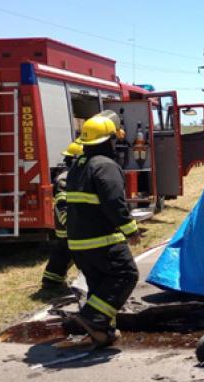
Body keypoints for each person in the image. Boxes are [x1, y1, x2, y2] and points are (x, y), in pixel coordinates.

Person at [64, 113, 140, 347]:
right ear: (108, 141)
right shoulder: (106, 166)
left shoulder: (79, 164)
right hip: (101, 240)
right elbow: (114, 202)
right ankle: (91, 318)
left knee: (100, 286)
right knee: (126, 275)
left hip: (79, 243)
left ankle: (103, 332)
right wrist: (131, 230)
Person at [40, 142, 81, 289]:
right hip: (68, 225)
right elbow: (62, 204)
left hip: (69, 224)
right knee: (73, 252)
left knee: (63, 253)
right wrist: (70, 224)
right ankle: (51, 281)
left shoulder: (73, 174)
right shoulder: (66, 178)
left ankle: (51, 280)